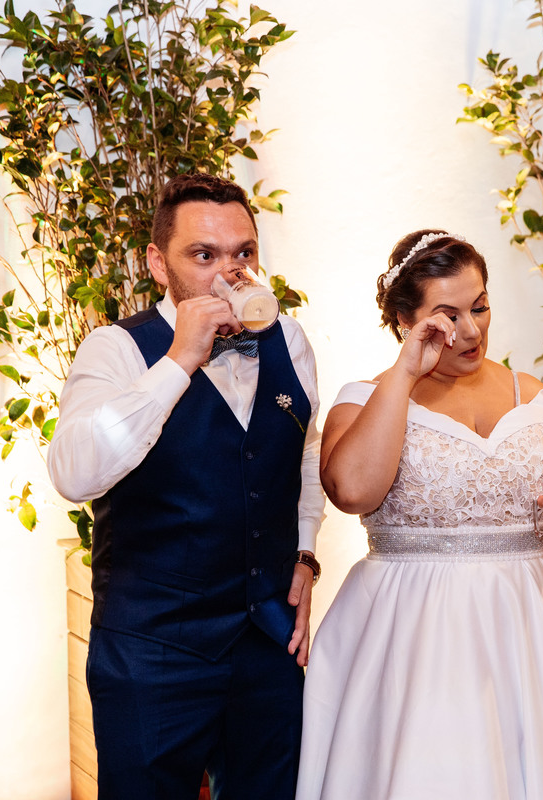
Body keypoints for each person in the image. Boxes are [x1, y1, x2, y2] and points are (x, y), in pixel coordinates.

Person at [296, 230, 543, 799]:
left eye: (480, 307)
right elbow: (352, 491)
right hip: (414, 630)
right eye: (448, 316)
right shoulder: (364, 398)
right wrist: (406, 373)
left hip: (531, 624)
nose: (473, 330)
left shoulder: (532, 395)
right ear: (406, 320)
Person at [47, 172, 323, 799]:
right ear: (157, 264)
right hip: (152, 651)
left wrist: (306, 553)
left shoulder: (290, 340)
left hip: (267, 643)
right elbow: (73, 473)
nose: (230, 273)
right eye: (204, 255)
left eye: (244, 253)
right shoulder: (115, 350)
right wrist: (178, 362)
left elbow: (304, 450)